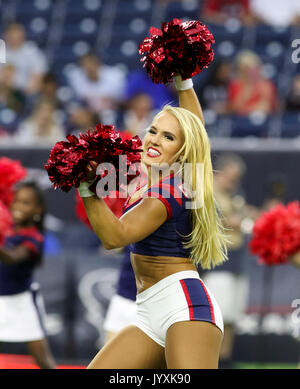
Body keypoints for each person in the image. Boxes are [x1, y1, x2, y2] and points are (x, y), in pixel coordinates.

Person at [78, 75, 228, 369]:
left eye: (168, 137)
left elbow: (115, 237)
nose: (155, 140)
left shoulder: (169, 191)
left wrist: (86, 186)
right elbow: (192, 127)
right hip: (149, 312)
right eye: (153, 131)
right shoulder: (160, 179)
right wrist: (184, 83)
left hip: (185, 309)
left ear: (182, 152)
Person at [201, 153, 255, 368]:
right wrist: (236, 221)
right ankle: (206, 360)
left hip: (236, 261)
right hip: (216, 263)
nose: (235, 182)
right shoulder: (206, 193)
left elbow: (245, 215)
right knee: (215, 316)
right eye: (231, 178)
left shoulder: (234, 195)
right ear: (220, 174)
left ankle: (225, 360)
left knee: (231, 316)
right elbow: (208, 221)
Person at [0, 181, 56, 369]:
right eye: (16, 201)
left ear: (37, 209)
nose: (17, 206)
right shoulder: (6, 230)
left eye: (25, 203)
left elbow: (12, 257)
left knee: (43, 360)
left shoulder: (34, 237)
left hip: (21, 303)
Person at [227, 50, 278, 116]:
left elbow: (267, 107)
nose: (251, 72)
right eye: (245, 69)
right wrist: (247, 89)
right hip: (241, 120)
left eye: (255, 68)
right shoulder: (236, 84)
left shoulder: (266, 85)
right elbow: (235, 108)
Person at [4, 22, 48, 95]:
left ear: (23, 36)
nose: (15, 40)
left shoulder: (31, 50)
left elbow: (39, 74)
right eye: (12, 37)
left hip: (26, 92)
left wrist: (29, 89)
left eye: (17, 37)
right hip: (5, 91)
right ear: (6, 36)